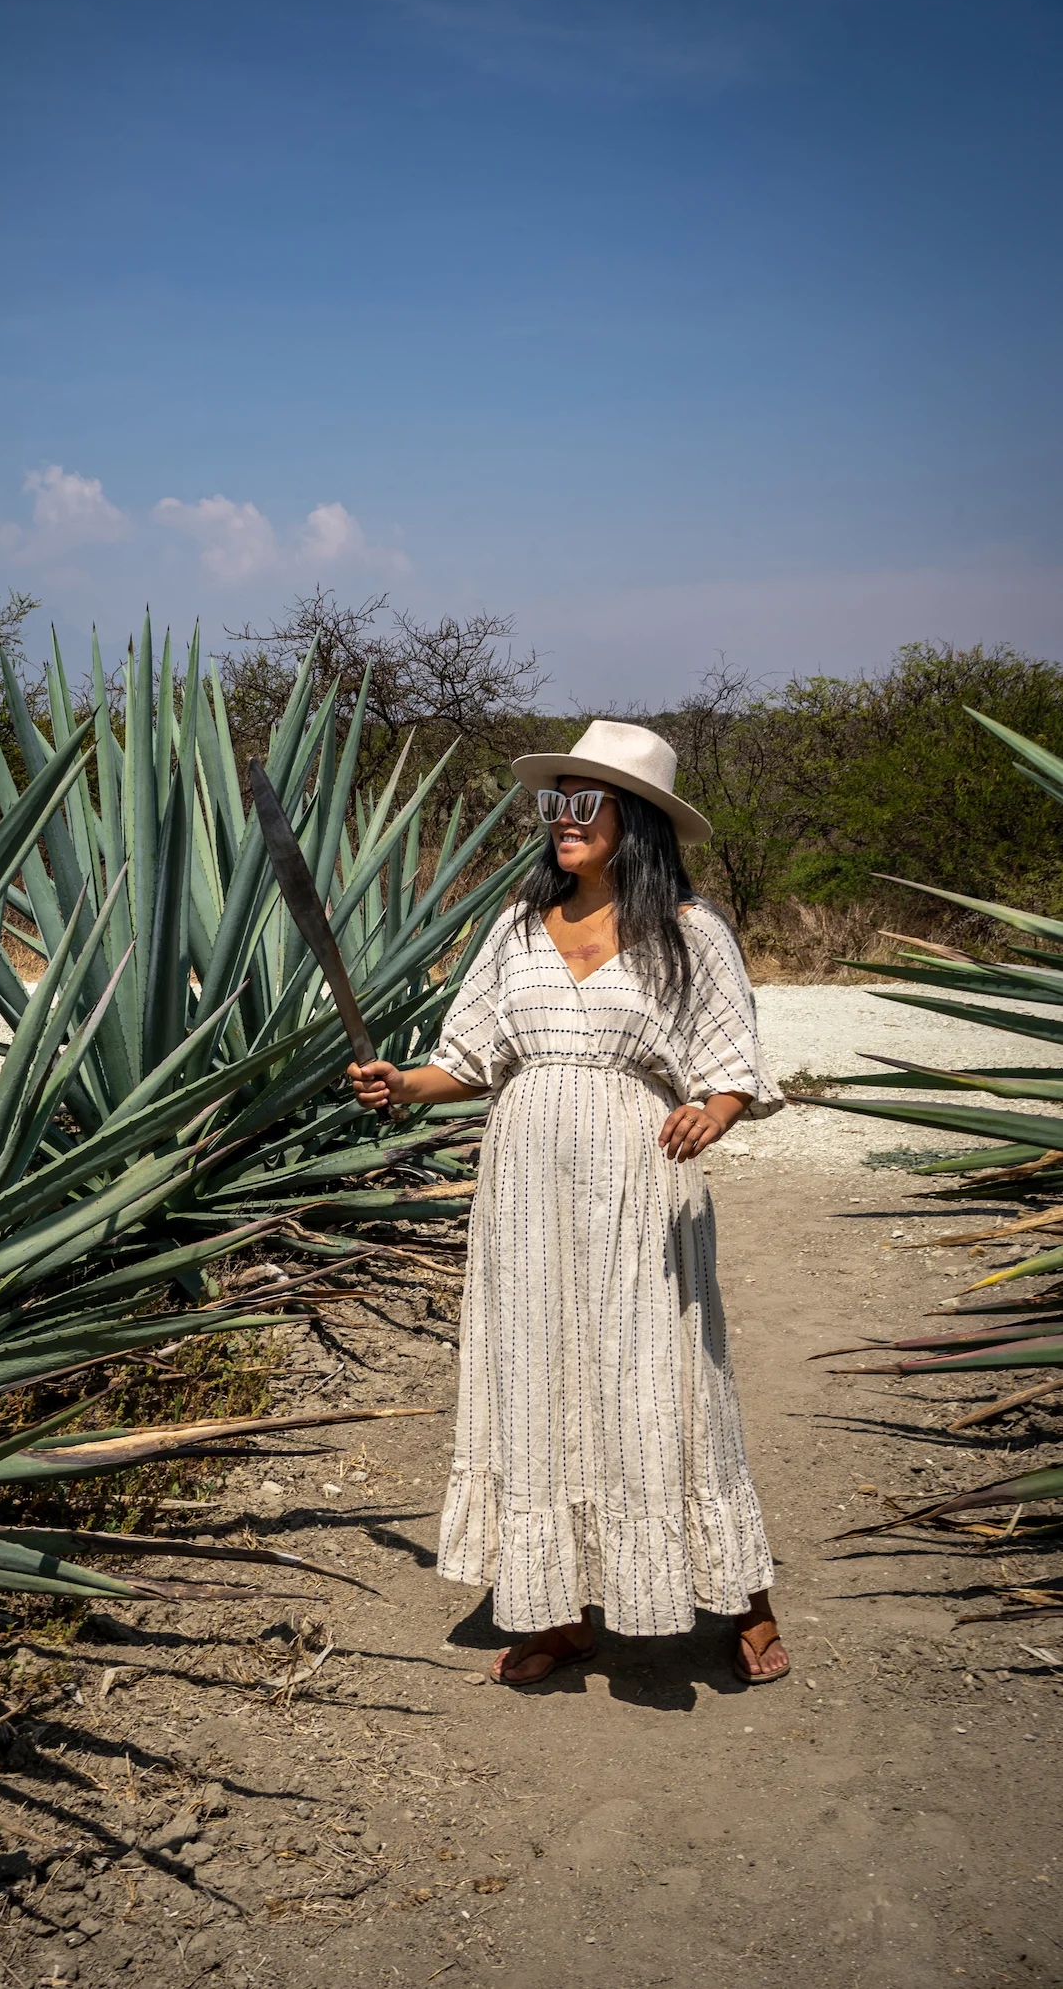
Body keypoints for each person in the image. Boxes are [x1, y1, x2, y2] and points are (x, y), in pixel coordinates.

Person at [348, 719, 790, 1688]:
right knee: (539, 1377)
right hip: (527, 1191)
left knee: (661, 1383)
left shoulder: (689, 931)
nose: (561, 819)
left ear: (633, 820)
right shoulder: (513, 927)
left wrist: (709, 1115)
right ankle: (560, 1611)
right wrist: (401, 1084)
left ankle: (743, 1598)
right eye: (554, 801)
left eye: (583, 802)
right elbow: (466, 1061)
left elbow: (732, 1066)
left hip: (641, 1185)